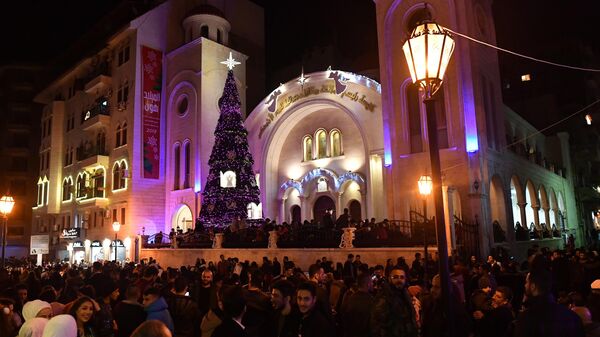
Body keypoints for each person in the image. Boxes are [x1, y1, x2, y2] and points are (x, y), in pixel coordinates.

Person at [513, 259, 584, 337]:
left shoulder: (527, 318)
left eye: (526, 282)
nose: (525, 285)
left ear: (533, 286)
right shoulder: (571, 316)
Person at [371, 267, 417, 337]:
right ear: (389, 279)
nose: (399, 280)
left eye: (402, 277)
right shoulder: (384, 297)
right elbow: (377, 325)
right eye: (395, 277)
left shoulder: (405, 294)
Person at [340, 273, 375, 337]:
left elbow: (343, 314)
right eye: (371, 282)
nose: (373, 284)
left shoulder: (349, 297)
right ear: (368, 284)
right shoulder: (371, 300)